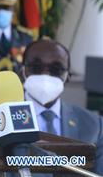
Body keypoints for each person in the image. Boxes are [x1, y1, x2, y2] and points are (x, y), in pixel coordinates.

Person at [21, 39, 103, 174]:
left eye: (56, 69)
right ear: (22, 72)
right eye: (36, 67)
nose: (45, 74)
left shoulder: (95, 125)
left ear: (68, 78)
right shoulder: (1, 120)